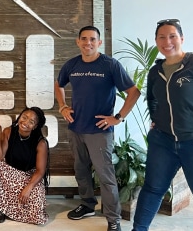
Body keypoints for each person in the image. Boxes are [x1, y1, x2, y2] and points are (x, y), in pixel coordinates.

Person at [55, 25, 141, 231]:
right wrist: (63, 106)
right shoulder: (72, 64)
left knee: (105, 176)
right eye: (84, 39)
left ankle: (113, 219)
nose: (88, 43)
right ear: (78, 42)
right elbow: (58, 85)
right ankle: (87, 205)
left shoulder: (110, 65)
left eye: (93, 39)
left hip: (100, 132)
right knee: (81, 169)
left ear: (99, 42)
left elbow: (133, 92)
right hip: (76, 128)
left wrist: (118, 117)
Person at [132, 19, 193, 231]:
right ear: (156, 41)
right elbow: (152, 99)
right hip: (163, 141)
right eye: (162, 37)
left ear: (181, 39)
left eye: (172, 36)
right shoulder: (155, 71)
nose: (167, 41)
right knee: (152, 189)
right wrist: (156, 120)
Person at [0, 107, 49, 225]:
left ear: (35, 126)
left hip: (29, 177)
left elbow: (40, 171)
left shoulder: (41, 143)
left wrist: (29, 188)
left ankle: (12, 210)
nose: (25, 122)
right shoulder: (9, 131)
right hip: (11, 174)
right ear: (20, 117)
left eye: (31, 122)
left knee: (37, 216)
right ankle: (0, 209)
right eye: (24, 117)